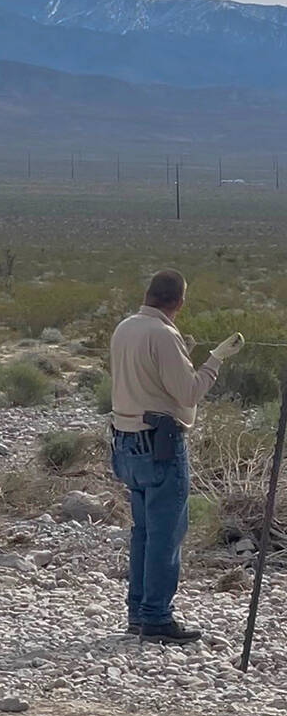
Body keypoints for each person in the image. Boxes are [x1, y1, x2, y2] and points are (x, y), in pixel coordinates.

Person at [110, 269, 244, 644]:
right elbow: (188, 393)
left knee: (143, 533)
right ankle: (156, 617)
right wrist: (215, 359)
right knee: (166, 535)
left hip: (126, 442)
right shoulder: (163, 334)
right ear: (179, 302)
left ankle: (138, 612)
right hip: (160, 446)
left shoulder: (126, 327)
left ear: (149, 294)